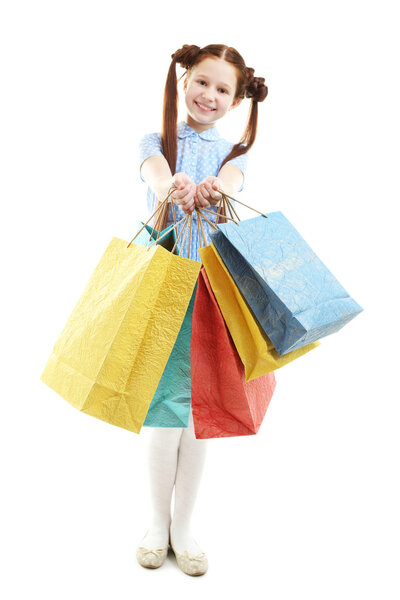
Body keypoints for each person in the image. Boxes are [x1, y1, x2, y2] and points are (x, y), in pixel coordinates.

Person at [136, 43, 268, 576]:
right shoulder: (157, 141)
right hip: (163, 284)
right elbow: (152, 174)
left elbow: (232, 185)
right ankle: (156, 523)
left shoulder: (232, 156)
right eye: (202, 82)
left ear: (236, 101)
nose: (209, 95)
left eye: (223, 89)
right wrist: (172, 185)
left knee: (199, 413)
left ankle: (184, 525)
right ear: (183, 78)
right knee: (162, 410)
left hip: (213, 290)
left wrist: (215, 189)